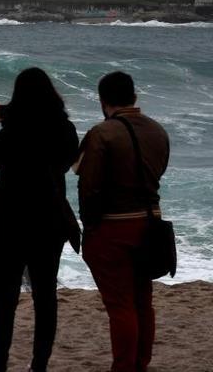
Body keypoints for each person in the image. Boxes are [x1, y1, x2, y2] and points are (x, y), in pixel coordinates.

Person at [0, 67, 79, 372]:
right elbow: (68, 162)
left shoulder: (12, 131)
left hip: (10, 222)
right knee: (46, 297)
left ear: (17, 97)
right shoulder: (65, 129)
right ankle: (39, 366)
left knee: (4, 301)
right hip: (50, 222)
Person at [77, 71, 170, 372]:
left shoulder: (102, 133)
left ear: (103, 101)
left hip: (113, 228)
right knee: (143, 300)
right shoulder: (158, 131)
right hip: (151, 224)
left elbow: (88, 186)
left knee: (120, 305)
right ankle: (140, 364)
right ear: (134, 97)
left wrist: (89, 228)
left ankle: (124, 367)